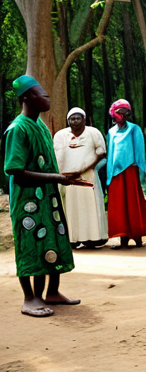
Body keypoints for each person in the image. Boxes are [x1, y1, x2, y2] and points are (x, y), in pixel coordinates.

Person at [5, 76, 79, 317]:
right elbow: (16, 171)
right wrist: (55, 178)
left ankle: (52, 292)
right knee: (31, 244)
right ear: (27, 97)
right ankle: (30, 299)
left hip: (47, 198)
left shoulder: (41, 126)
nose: (47, 98)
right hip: (27, 201)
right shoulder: (18, 129)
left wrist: (58, 177)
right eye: (42, 94)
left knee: (52, 240)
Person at [53, 107, 108, 249]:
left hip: (88, 177)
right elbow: (57, 156)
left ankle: (93, 238)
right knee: (70, 209)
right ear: (68, 121)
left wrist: (85, 169)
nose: (75, 121)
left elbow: (101, 154)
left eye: (78, 118)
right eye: (72, 118)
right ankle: (72, 238)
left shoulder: (93, 133)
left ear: (84, 120)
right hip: (67, 179)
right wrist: (62, 174)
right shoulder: (60, 135)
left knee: (90, 207)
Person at [106, 99, 146, 249]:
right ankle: (122, 237)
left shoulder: (134, 129)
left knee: (133, 202)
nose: (120, 115)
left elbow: (139, 150)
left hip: (130, 170)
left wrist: (139, 168)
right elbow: (111, 152)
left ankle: (137, 236)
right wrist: (109, 173)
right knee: (118, 204)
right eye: (118, 112)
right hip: (115, 172)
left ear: (128, 113)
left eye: (123, 112)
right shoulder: (111, 131)